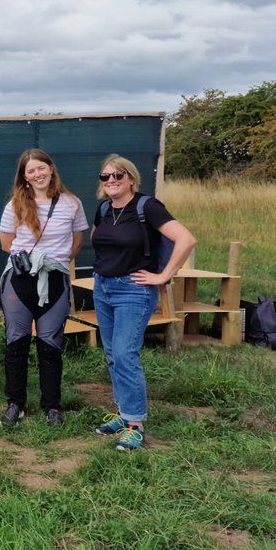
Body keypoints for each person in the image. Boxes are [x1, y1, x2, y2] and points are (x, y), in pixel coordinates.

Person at [90, 154, 196, 451]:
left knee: (125, 354)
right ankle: (124, 415)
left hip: (133, 291)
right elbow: (99, 239)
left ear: (131, 178)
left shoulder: (148, 207)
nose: (111, 180)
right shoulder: (104, 209)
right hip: (103, 287)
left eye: (118, 175)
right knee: (113, 354)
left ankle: (135, 425)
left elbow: (186, 239)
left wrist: (163, 275)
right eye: (105, 176)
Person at [0, 149, 89, 429]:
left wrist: (54, 261)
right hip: (19, 281)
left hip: (54, 280)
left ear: (51, 169)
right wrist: (31, 261)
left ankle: (52, 406)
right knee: (16, 343)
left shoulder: (72, 203)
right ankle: (15, 404)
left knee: (50, 345)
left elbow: (77, 241)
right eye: (31, 171)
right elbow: (6, 244)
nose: (37, 174)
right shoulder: (14, 205)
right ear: (24, 177)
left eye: (41, 168)